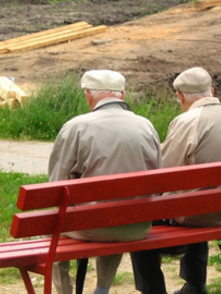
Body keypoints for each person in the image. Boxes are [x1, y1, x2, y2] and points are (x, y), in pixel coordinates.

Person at [130, 67, 221, 294]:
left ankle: (153, 290)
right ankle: (195, 286)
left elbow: (164, 173)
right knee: (198, 198)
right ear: (212, 91)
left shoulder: (187, 120)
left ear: (180, 96)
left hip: (199, 213)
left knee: (139, 219)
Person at [48, 69, 162, 294]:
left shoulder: (76, 127)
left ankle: (64, 292)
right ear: (122, 94)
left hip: (94, 228)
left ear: (88, 95)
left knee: (52, 225)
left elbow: (56, 185)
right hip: (138, 225)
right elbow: (158, 176)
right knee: (118, 209)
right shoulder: (145, 125)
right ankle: (102, 289)